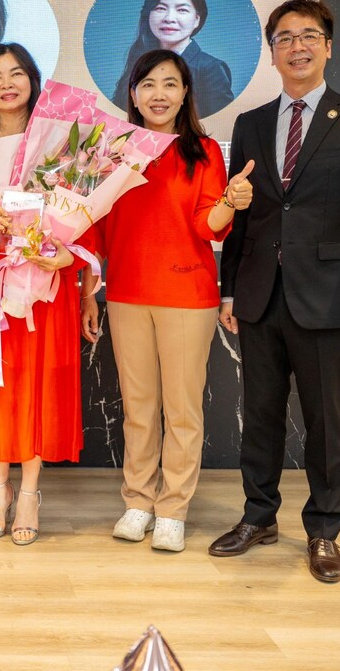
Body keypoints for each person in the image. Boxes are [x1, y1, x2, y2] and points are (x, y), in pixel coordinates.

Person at [211, 0, 340, 582]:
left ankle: (323, 530)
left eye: (309, 36)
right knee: (260, 414)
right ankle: (258, 516)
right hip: (260, 293)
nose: (298, 46)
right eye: (286, 37)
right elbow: (241, 213)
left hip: (327, 293)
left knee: (326, 421)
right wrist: (228, 291)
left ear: (328, 46)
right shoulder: (250, 123)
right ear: (272, 52)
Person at [89, 49, 253, 553]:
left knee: (182, 409)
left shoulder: (203, 151)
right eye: (148, 85)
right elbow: (93, 225)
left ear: (185, 93)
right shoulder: (110, 150)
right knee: (139, 408)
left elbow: (206, 226)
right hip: (126, 293)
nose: (158, 94)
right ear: (132, 94)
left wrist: (230, 201)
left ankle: (173, 508)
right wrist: (87, 289)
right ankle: (138, 501)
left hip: (187, 294)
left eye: (170, 84)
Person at [0, 42, 98, 545]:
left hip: (44, 283)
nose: (6, 83)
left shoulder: (60, 140)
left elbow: (87, 213)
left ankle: (29, 492)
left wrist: (67, 260)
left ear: (33, 79)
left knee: (34, 383)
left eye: (16, 73)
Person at [111, 0, 234, 117]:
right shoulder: (138, 61)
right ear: (148, 14)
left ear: (197, 19)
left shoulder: (211, 68)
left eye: (182, 10)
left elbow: (219, 123)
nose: (169, 18)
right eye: (160, 8)